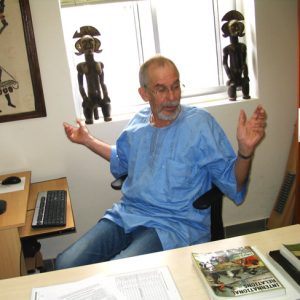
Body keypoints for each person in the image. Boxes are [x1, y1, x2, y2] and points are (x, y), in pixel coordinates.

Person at [56, 55, 266, 270]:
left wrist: (245, 152)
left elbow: (234, 181)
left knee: (118, 273)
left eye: (176, 87)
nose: (172, 97)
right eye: (161, 89)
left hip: (173, 224)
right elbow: (122, 159)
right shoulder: (138, 123)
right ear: (144, 93)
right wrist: (87, 140)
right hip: (129, 213)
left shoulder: (200, 125)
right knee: (65, 264)